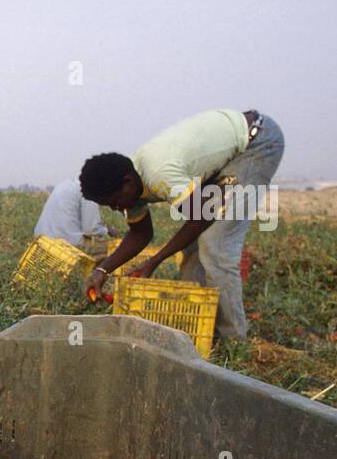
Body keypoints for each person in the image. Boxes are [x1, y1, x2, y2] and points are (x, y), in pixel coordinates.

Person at [79, 109, 284, 340]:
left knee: (215, 245)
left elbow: (201, 217)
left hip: (255, 143)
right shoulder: (131, 183)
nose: (115, 209)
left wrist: (154, 260)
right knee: (192, 246)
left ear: (127, 183)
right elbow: (140, 234)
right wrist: (102, 270)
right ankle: (198, 332)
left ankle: (233, 344)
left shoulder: (159, 174)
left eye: (114, 201)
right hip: (224, 161)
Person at [33, 178, 118, 259]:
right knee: (105, 248)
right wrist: (107, 230)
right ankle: (97, 273)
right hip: (64, 244)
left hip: (42, 240)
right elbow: (90, 230)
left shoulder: (65, 184)